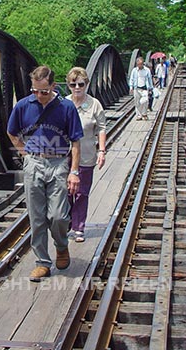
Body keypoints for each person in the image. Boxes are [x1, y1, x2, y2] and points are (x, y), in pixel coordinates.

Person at [7, 65, 83, 281]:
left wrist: (74, 171)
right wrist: (25, 154)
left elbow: (76, 141)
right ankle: (42, 262)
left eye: (44, 91)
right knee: (37, 217)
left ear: (53, 86)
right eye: (35, 91)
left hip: (58, 163)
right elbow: (11, 132)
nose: (39, 96)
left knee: (58, 216)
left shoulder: (66, 107)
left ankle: (61, 246)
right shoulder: (23, 106)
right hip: (34, 164)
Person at [65, 67, 107, 243]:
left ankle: (78, 227)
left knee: (82, 192)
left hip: (86, 154)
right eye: (73, 84)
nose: (77, 87)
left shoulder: (94, 104)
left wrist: (102, 151)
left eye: (80, 84)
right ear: (68, 85)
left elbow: (101, 128)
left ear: (86, 84)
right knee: (65, 192)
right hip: (64, 156)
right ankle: (67, 223)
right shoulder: (63, 103)